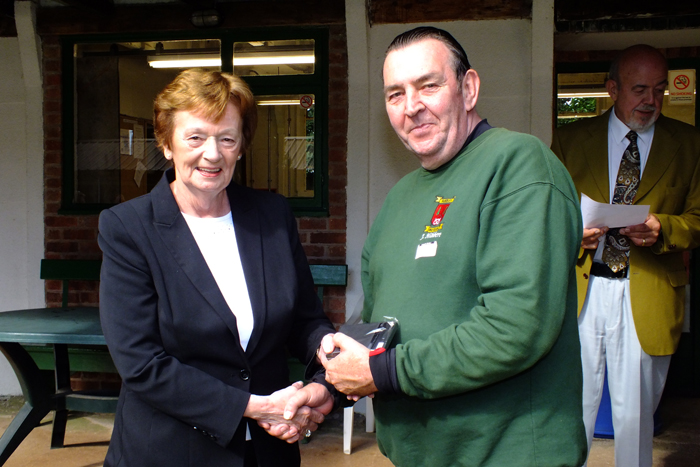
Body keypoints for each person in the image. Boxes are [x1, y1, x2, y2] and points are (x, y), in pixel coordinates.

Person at [287, 26, 587, 466]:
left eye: (429, 85)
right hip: (418, 454)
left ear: (468, 88)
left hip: (506, 453)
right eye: (395, 94)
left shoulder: (519, 166)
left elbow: (516, 327)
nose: (412, 107)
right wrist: (332, 384)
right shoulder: (401, 196)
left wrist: (380, 373)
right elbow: (377, 327)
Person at [98, 69, 337, 467]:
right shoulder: (127, 227)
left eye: (227, 138)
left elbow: (304, 320)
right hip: (170, 453)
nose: (213, 153)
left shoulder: (272, 215)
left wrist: (325, 373)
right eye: (195, 137)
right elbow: (141, 364)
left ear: (241, 147)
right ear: (166, 143)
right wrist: (254, 407)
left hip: (268, 451)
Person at [551, 45, 700, 467]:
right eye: (639, 89)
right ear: (612, 88)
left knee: (635, 419)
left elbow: (698, 218)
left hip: (648, 290)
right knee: (570, 410)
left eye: (659, 89)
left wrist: (663, 228)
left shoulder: (689, 144)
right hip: (583, 289)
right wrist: (572, 232)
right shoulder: (571, 139)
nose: (650, 101)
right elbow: (545, 211)